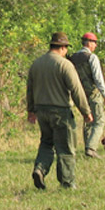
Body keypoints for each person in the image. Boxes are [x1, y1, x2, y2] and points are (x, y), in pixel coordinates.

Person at [27, 32, 93, 190]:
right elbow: (76, 90)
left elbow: (30, 89)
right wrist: (86, 111)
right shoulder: (65, 65)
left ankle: (39, 169)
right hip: (60, 111)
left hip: (41, 110)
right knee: (65, 147)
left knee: (46, 142)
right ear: (63, 47)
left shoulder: (36, 64)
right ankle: (67, 183)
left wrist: (31, 110)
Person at [69, 32, 105, 159]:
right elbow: (98, 79)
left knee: (88, 119)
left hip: (79, 95)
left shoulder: (72, 58)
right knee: (99, 120)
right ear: (89, 43)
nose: (95, 46)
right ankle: (91, 148)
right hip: (93, 93)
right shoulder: (91, 57)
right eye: (94, 43)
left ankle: (87, 148)